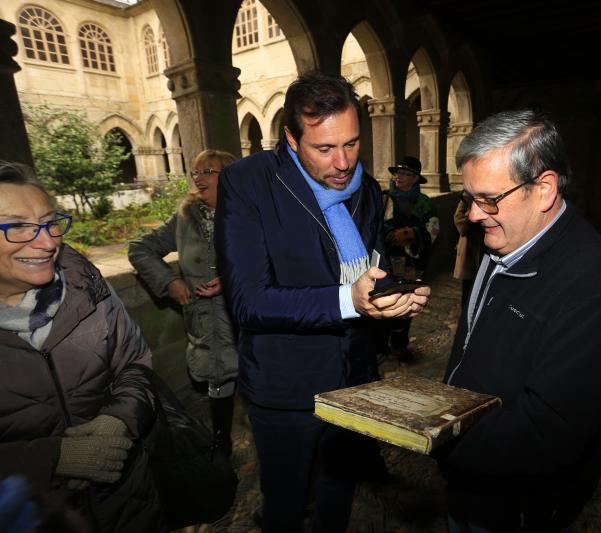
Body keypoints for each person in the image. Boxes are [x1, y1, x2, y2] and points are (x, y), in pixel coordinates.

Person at [214, 71, 430, 532]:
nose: (343, 162)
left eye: (351, 144)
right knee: (286, 502)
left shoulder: (369, 190)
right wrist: (347, 301)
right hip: (285, 383)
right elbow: (249, 301)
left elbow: (374, 268)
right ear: (292, 138)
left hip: (355, 374)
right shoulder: (247, 182)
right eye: (324, 149)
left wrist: (394, 298)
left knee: (339, 490)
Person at [436, 110, 601, 532]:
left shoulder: (597, 292)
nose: (474, 216)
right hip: (470, 482)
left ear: (544, 189)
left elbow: (546, 437)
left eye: (488, 199)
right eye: (469, 198)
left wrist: (435, 435)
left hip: (516, 508)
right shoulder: (506, 239)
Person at [0, 161, 164, 532]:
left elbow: (135, 362)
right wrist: (47, 459)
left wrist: (119, 420)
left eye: (49, 221)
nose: (48, 242)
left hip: (129, 503)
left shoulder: (84, 286)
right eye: (17, 226)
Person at [128, 149, 239, 455]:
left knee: (254, 380)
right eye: (195, 172)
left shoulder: (249, 215)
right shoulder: (184, 217)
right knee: (217, 380)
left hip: (240, 318)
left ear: (229, 177)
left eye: (208, 172)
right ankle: (222, 441)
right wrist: (170, 281)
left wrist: (231, 283)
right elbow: (140, 249)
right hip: (203, 320)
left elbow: (272, 261)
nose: (198, 179)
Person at [381, 155, 439, 360]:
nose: (399, 177)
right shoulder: (385, 198)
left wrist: (412, 233)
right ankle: (380, 344)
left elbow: (432, 229)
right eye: (397, 173)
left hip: (410, 264)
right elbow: (375, 227)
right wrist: (389, 235)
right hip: (386, 262)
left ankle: (399, 344)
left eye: (405, 174)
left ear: (415, 179)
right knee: (383, 299)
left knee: (406, 302)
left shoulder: (424, 203)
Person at [452, 197, 484, 309]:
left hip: (485, 244)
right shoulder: (467, 196)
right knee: (468, 286)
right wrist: (469, 219)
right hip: (470, 245)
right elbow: (458, 218)